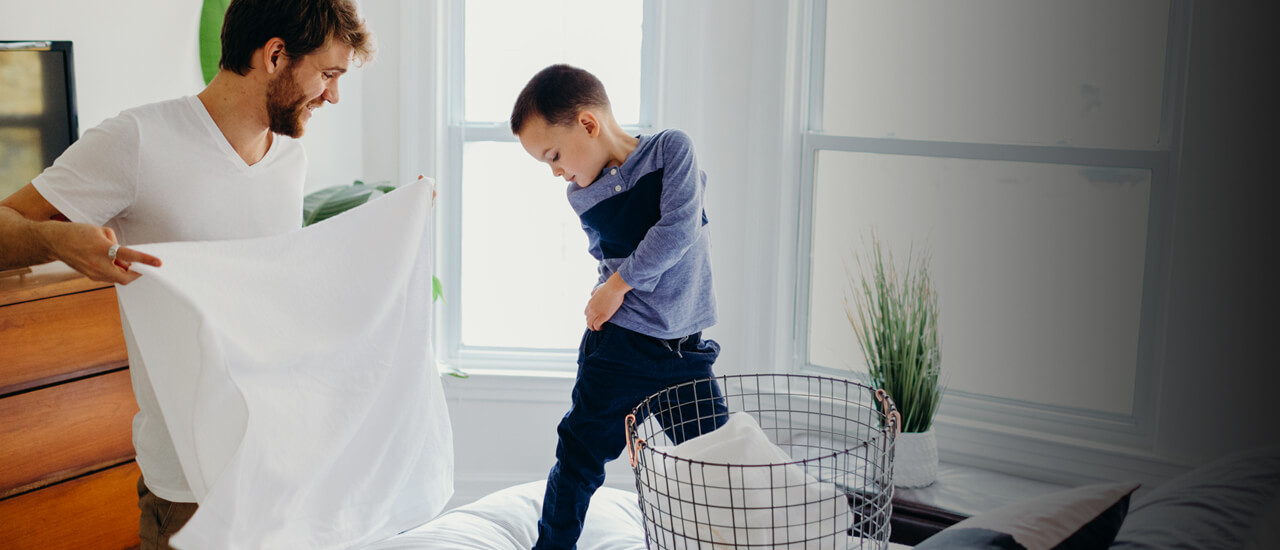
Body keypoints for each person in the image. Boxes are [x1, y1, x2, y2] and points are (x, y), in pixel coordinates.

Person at [0, 1, 372, 547]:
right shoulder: (138, 140)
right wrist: (55, 239)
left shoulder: (290, 157)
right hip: (188, 487)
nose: (333, 96)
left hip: (277, 469)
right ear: (274, 56)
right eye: (329, 74)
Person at [511, 63, 729, 549]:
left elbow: (677, 230)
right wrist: (613, 288)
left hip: (684, 354)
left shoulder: (672, 150)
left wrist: (616, 285)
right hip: (620, 348)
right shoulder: (582, 194)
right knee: (578, 461)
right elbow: (614, 254)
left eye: (554, 156)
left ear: (588, 124)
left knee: (720, 464)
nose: (556, 174)